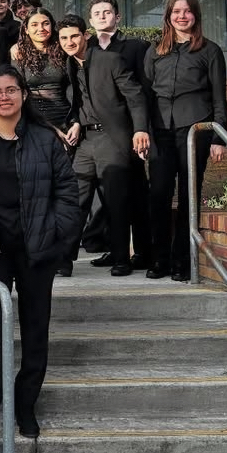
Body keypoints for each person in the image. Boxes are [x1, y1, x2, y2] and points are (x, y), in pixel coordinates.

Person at [0, 65, 82, 442]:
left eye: (11, 90)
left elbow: (68, 194)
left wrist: (55, 235)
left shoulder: (45, 139)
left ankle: (26, 405)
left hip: (38, 249)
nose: (4, 97)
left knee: (35, 329)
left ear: (24, 94)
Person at [56, 15, 150, 278]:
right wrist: (75, 121)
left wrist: (140, 129)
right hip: (85, 141)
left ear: (85, 35)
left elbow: (135, 95)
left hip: (111, 138)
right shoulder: (69, 64)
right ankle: (64, 260)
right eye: (63, 38)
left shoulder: (109, 59)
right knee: (74, 199)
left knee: (115, 201)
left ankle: (121, 259)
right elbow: (77, 101)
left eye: (74, 36)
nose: (69, 42)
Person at [144, 0, 227, 282]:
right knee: (158, 195)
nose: (182, 16)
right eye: (176, 11)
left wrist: (219, 137)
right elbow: (145, 94)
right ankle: (160, 260)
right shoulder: (155, 51)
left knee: (188, 197)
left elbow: (220, 97)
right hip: (160, 132)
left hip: (195, 130)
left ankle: (184, 262)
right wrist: (142, 131)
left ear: (195, 15)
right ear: (168, 16)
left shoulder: (210, 51)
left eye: (187, 11)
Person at [86, 0, 154, 272]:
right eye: (97, 13)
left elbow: (143, 92)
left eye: (107, 12)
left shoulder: (136, 47)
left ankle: (143, 253)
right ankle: (115, 250)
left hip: (129, 133)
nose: (102, 16)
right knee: (108, 196)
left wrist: (142, 128)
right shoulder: (85, 47)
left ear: (118, 17)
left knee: (136, 194)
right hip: (98, 135)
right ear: (90, 21)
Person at [10, 7, 70, 135]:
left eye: (45, 24)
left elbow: (73, 89)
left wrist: (75, 122)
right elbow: (19, 93)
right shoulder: (19, 56)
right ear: (26, 29)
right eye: (34, 24)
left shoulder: (64, 52)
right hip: (33, 120)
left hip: (65, 118)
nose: (41, 28)